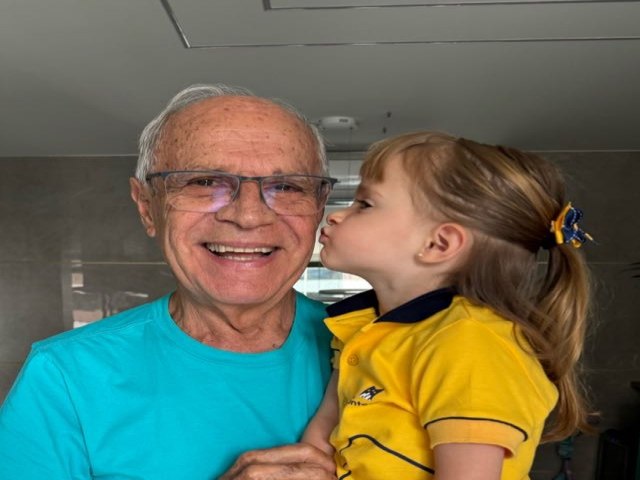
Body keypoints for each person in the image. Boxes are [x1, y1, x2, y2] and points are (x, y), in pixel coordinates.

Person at [0, 84, 340, 479]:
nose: (249, 216)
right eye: (204, 182)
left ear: (318, 208)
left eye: (286, 187)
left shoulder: (378, 349)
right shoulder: (65, 376)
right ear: (147, 207)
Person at [301, 131, 593, 479]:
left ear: (438, 244)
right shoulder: (366, 329)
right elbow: (320, 443)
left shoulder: (471, 344)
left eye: (365, 204)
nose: (335, 216)